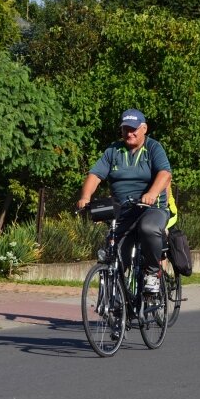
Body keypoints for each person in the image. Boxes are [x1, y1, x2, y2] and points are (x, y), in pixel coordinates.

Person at [77, 109, 172, 293]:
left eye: (134, 129)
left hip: (151, 208)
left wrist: (152, 193)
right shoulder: (113, 151)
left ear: (144, 128)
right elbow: (95, 175)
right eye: (125, 129)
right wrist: (85, 197)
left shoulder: (153, 148)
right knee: (114, 253)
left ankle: (153, 273)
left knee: (148, 228)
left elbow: (165, 173)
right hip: (124, 210)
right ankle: (118, 300)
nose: (130, 133)